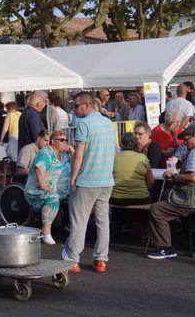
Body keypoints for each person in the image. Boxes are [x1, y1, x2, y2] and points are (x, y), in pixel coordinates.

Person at [147, 122, 195, 259]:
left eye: (187, 140)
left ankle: (165, 247)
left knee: (156, 209)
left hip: (194, 200)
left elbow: (193, 177)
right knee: (166, 197)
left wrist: (174, 176)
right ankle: (171, 235)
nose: (185, 143)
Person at [62, 91, 116, 274]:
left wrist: (72, 177)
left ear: (86, 105)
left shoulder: (83, 124)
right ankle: (101, 259)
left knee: (79, 220)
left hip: (87, 180)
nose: (74, 109)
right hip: (106, 180)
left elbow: (79, 154)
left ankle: (73, 260)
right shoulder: (109, 124)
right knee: (102, 220)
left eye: (76, 105)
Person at [24, 130, 73, 245]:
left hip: (61, 190)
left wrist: (72, 151)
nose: (65, 142)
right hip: (37, 189)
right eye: (62, 140)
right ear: (53, 142)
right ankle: (46, 233)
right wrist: (44, 186)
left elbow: (76, 164)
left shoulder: (64, 155)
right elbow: (39, 167)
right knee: (52, 197)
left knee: (81, 194)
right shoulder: (46, 153)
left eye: (66, 140)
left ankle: (71, 226)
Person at [110, 132, 154, 206]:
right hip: (140, 198)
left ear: (121, 144)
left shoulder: (113, 158)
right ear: (136, 144)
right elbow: (151, 182)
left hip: (116, 198)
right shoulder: (143, 158)